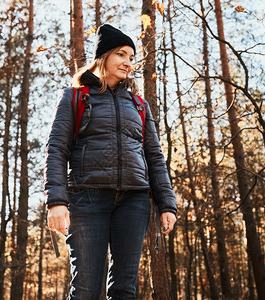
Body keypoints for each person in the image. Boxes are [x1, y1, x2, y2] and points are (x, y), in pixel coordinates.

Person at [44, 24, 177, 300]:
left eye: (131, 57)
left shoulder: (139, 104)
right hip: (87, 198)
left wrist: (167, 204)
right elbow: (57, 149)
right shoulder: (75, 97)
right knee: (85, 291)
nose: (128, 63)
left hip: (134, 200)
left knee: (124, 291)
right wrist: (56, 201)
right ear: (103, 57)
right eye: (121, 55)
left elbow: (154, 156)